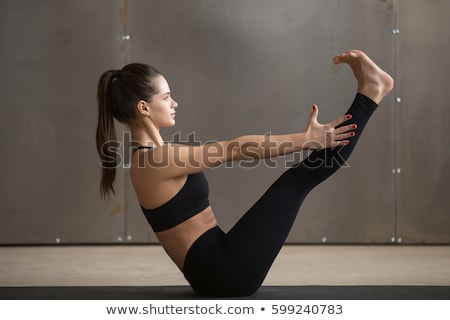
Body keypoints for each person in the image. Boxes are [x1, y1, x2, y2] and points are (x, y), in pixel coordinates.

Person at [96, 50, 394, 297]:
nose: (175, 103)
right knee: (298, 179)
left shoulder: (156, 156)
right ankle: (370, 94)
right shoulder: (154, 160)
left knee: (300, 178)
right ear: (144, 108)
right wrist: (306, 140)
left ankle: (371, 91)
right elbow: (234, 149)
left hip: (219, 267)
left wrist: (308, 141)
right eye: (167, 97)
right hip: (222, 273)